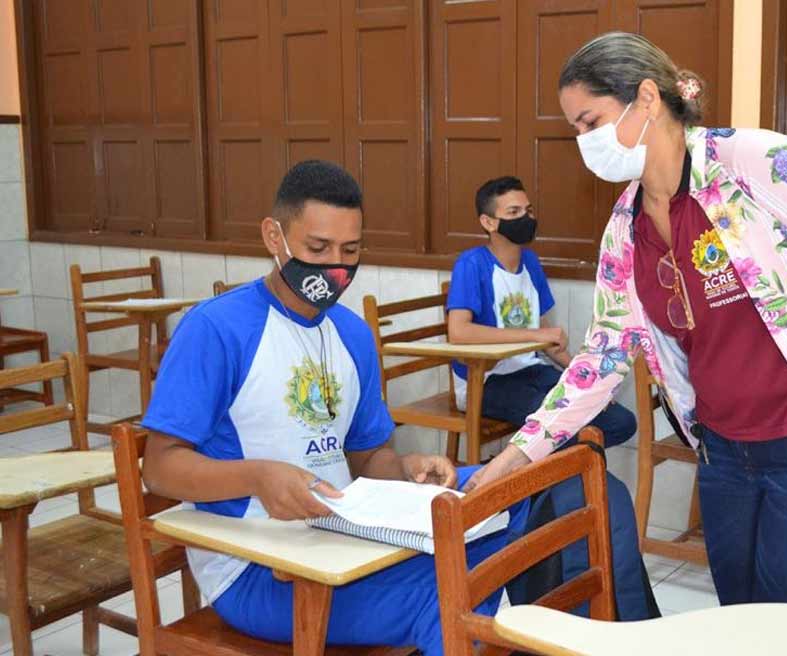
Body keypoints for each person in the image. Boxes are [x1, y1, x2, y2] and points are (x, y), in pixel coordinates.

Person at [466, 32, 787, 609]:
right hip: (723, 455)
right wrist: (516, 455)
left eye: (590, 121)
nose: (584, 142)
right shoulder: (625, 228)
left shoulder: (757, 163)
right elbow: (602, 356)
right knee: (737, 623)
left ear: (647, 98)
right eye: (574, 129)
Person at [140, 160, 528, 655]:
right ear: (273, 237)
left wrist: (406, 470)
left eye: (350, 250)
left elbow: (367, 457)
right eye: (318, 249)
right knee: (451, 597)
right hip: (256, 568)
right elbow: (159, 467)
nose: (335, 267)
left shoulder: (351, 334)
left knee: (510, 492)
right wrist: (258, 476)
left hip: (344, 539)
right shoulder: (217, 329)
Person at [446, 176, 637, 449]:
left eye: (529, 211)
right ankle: (541, 484)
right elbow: (459, 332)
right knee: (564, 428)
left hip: (532, 371)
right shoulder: (471, 264)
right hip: (486, 383)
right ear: (488, 222)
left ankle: (540, 479)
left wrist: (584, 379)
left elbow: (547, 339)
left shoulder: (530, 262)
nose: (525, 218)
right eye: (513, 212)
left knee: (619, 420)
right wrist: (536, 334)